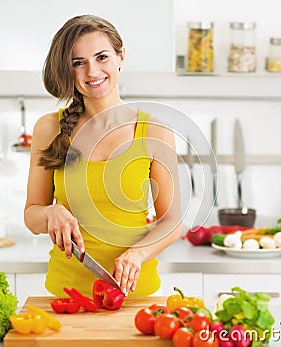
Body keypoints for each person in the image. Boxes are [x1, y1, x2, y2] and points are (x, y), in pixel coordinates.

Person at [24, 14, 182, 297]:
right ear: (67, 70)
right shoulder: (49, 128)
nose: (92, 72)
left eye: (102, 57)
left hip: (135, 293)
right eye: (78, 62)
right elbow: (31, 215)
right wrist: (50, 213)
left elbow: (172, 222)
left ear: (121, 57)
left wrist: (137, 254)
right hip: (67, 294)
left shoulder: (155, 130)